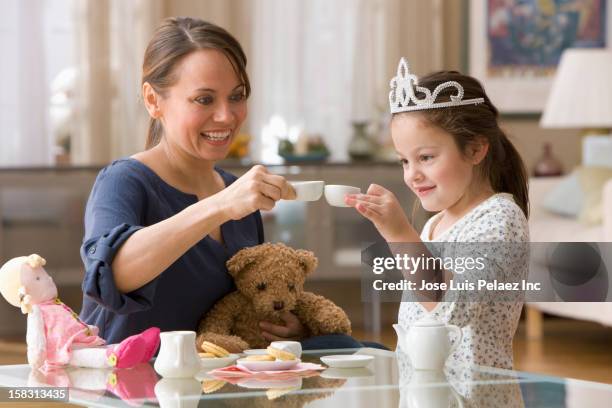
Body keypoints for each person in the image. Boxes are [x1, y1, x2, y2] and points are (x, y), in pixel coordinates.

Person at [79, 17, 382, 352]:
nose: (226, 115)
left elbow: (248, 304)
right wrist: (221, 205)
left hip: (215, 393)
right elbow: (112, 275)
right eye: (204, 99)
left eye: (237, 96)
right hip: (130, 393)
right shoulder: (124, 181)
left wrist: (288, 329)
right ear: (153, 100)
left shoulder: (236, 194)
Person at [346, 58, 529, 369]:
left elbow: (452, 307)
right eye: (404, 161)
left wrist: (400, 234)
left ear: (475, 149)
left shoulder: (501, 220)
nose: (412, 174)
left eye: (426, 157)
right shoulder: (435, 224)